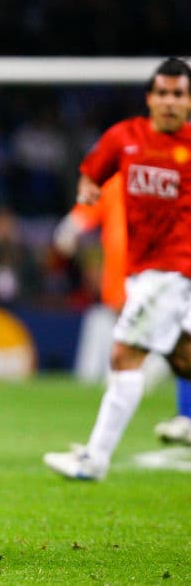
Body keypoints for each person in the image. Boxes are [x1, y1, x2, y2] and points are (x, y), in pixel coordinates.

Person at [43, 57, 191, 480]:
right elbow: (92, 173)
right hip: (142, 271)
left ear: (189, 102)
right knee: (183, 357)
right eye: (162, 93)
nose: (169, 101)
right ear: (149, 98)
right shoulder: (125, 138)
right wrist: (87, 189)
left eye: (178, 94)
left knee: (124, 354)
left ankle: (94, 459)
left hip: (172, 270)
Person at [55, 175, 191, 446]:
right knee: (167, 341)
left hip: (164, 273)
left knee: (170, 338)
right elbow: (89, 209)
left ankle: (181, 412)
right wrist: (70, 226)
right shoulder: (119, 180)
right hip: (129, 275)